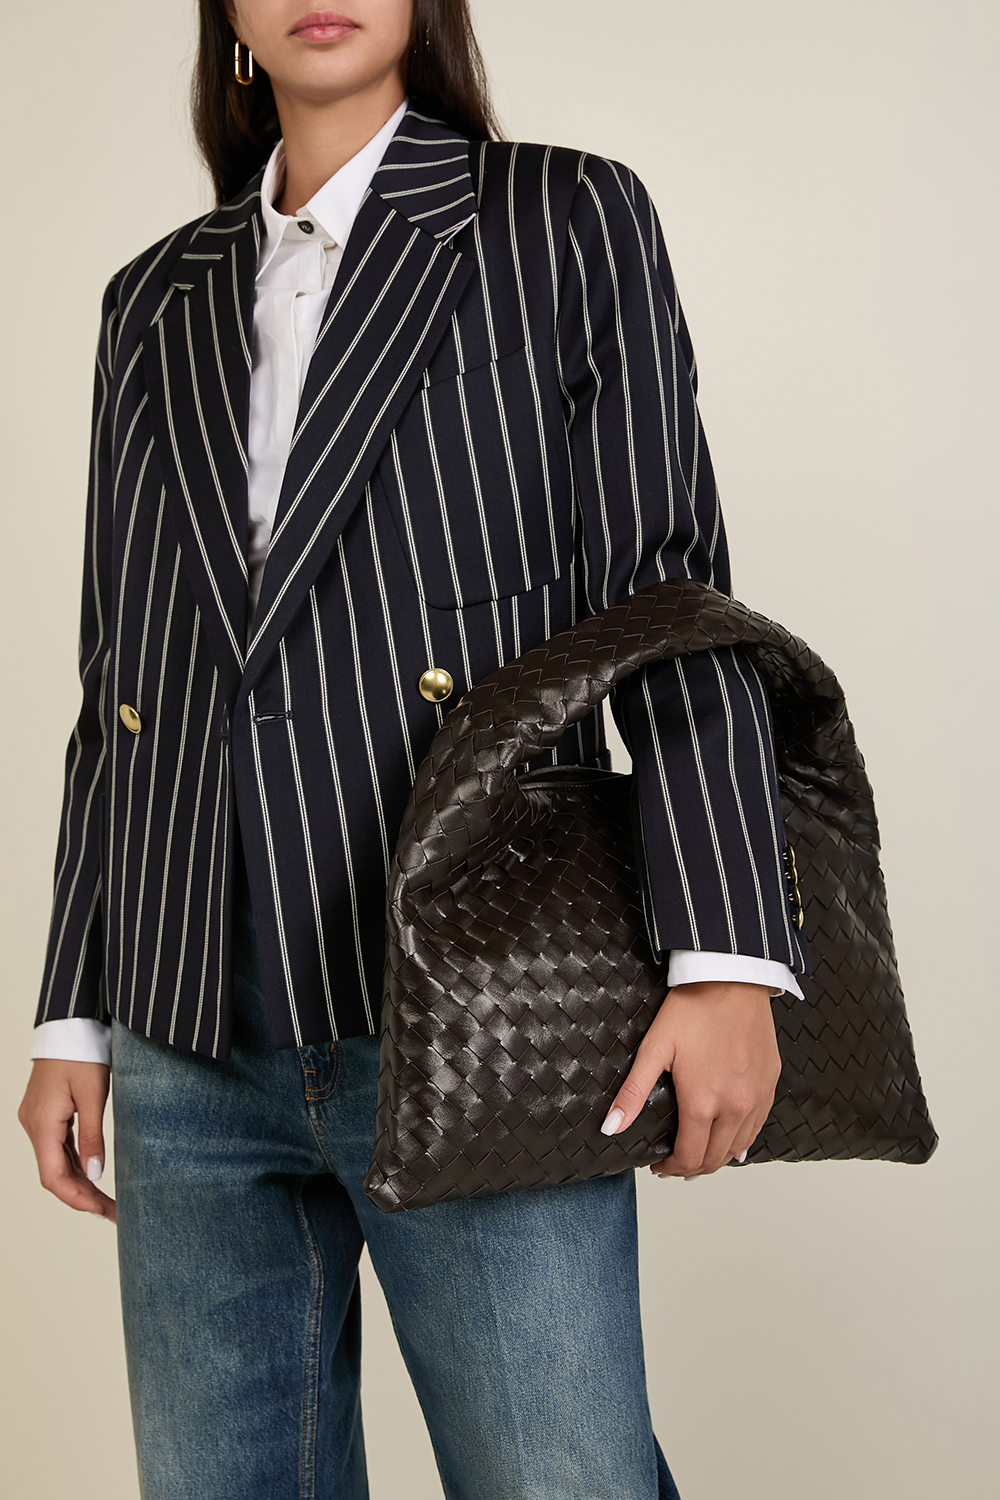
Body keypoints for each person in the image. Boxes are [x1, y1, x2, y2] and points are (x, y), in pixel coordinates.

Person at [18, 3, 808, 1496]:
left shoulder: (560, 217)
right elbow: (122, 671)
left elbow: (666, 596)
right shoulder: (153, 298)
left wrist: (723, 953)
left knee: (557, 1479)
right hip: (189, 1025)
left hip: (473, 995)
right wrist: (75, 1015)